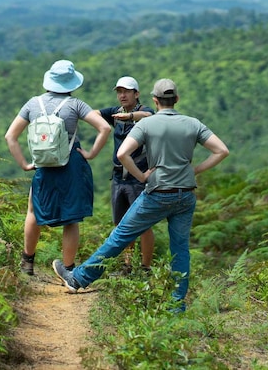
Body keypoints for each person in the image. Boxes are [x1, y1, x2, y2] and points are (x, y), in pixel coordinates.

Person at [53, 78, 229, 312]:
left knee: (120, 236)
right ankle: (177, 305)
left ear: (155, 101)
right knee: (180, 248)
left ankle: (78, 279)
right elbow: (221, 151)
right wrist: (194, 170)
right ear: (176, 99)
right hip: (185, 194)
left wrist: (142, 176)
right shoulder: (193, 123)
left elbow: (124, 153)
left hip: (157, 192)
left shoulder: (147, 125)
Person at [5, 60, 111, 276]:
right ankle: (69, 268)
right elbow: (105, 127)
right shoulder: (76, 105)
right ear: (71, 84)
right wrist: (91, 154)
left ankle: (27, 262)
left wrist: (25, 164)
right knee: (71, 218)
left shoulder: (32, 104)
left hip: (43, 164)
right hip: (70, 163)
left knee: (33, 211)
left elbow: (10, 136)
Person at [98, 76, 155, 274]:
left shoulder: (146, 111)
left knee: (144, 223)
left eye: (127, 91)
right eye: (119, 91)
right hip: (118, 177)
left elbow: (151, 117)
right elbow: (92, 114)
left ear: (136, 94)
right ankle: (127, 265)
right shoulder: (115, 112)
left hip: (138, 176)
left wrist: (130, 117)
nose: (122, 95)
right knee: (121, 223)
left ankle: (146, 267)